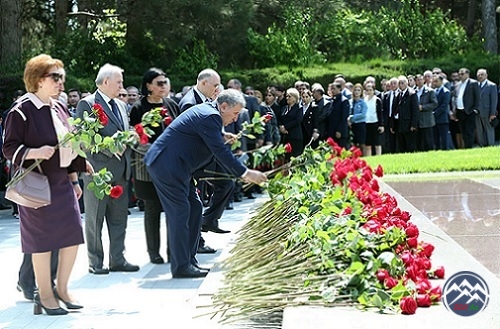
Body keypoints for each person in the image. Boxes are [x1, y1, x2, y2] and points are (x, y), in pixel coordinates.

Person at [144, 89, 267, 278]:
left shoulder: (210, 113)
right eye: (235, 114)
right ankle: (181, 267)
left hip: (177, 166)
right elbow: (219, 151)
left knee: (195, 207)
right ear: (223, 106)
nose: (235, 119)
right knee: (180, 211)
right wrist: (245, 173)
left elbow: (205, 135)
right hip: (166, 165)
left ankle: (189, 260)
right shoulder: (210, 116)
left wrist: (221, 134)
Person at [3, 54, 91, 315]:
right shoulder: (21, 110)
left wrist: (76, 176)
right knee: (41, 242)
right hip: (35, 186)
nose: (61, 82)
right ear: (38, 80)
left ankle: (62, 289)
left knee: (73, 236)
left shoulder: (59, 107)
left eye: (61, 77)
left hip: (62, 182)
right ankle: (44, 295)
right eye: (56, 77)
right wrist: (34, 152)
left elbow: (70, 144)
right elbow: (8, 149)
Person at [76, 64, 139, 275]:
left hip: (120, 170)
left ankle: (118, 259)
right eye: (119, 82)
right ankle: (96, 262)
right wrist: (110, 145)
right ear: (106, 82)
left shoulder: (121, 106)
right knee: (95, 217)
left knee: (119, 217)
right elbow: (84, 139)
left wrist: (130, 136)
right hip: (97, 172)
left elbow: (123, 131)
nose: (122, 86)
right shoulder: (87, 104)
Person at [129, 68, 180, 264]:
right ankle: (153, 252)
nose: (164, 87)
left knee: (171, 209)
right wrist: (157, 151)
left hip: (171, 166)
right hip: (148, 165)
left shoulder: (172, 105)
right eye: (159, 83)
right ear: (148, 85)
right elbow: (135, 139)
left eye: (165, 83)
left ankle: (172, 250)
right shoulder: (138, 108)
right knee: (152, 209)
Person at [455, 68, 480, 149]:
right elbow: (455, 97)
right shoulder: (457, 84)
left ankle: (469, 147)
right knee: (463, 130)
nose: (460, 76)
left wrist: (475, 109)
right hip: (460, 111)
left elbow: (477, 97)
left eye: (462, 74)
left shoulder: (473, 83)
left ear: (467, 74)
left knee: (469, 131)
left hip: (469, 111)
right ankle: (466, 146)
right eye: (459, 74)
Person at [277, 88, 304, 161]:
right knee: (286, 157)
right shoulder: (284, 108)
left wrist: (285, 127)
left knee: (294, 158)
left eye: (289, 96)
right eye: (287, 96)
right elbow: (280, 119)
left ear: (295, 98)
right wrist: (281, 127)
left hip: (295, 136)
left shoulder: (299, 108)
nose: (287, 98)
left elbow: (298, 120)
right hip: (285, 136)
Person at [475, 69, 497, 146]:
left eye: (482, 74)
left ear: (486, 75)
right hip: (477, 112)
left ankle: (491, 145)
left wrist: (492, 113)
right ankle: (481, 145)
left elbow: (494, 100)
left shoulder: (492, 85)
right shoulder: (475, 85)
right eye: (478, 75)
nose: (480, 76)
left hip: (487, 112)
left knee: (489, 130)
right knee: (479, 130)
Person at [348, 83, 367, 151]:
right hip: (352, 125)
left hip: (360, 124)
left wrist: (351, 118)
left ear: (361, 92)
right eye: (355, 90)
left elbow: (363, 114)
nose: (357, 92)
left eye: (359, 90)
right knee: (354, 143)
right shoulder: (350, 102)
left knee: (362, 143)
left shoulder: (363, 103)